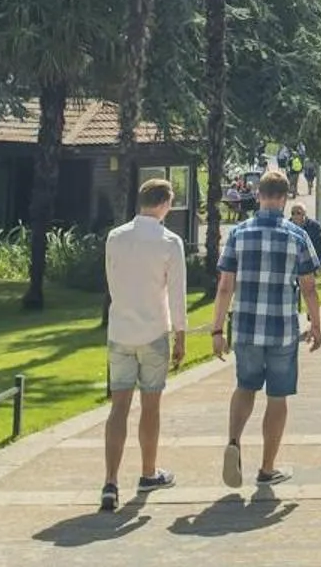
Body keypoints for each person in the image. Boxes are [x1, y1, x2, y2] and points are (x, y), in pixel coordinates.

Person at [212, 170, 321, 490]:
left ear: (258, 196)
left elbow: (224, 287)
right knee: (278, 397)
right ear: (285, 198)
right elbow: (309, 287)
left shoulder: (238, 233)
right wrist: (315, 324)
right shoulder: (297, 236)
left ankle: (234, 440)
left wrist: (217, 330)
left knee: (245, 386)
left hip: (245, 327)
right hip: (282, 329)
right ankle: (267, 467)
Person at [99, 178, 189, 513]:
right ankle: (148, 472)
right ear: (165, 203)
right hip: (152, 330)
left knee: (118, 407)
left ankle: (110, 481)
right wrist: (181, 334)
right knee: (150, 406)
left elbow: (111, 280)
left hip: (120, 329)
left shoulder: (116, 237)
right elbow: (177, 292)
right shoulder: (169, 242)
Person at [288, 202, 321, 268]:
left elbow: (320, 245)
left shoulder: (314, 226)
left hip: (310, 262)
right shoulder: (287, 226)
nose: (295, 216)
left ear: (304, 214)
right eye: (293, 213)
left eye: (298, 213)